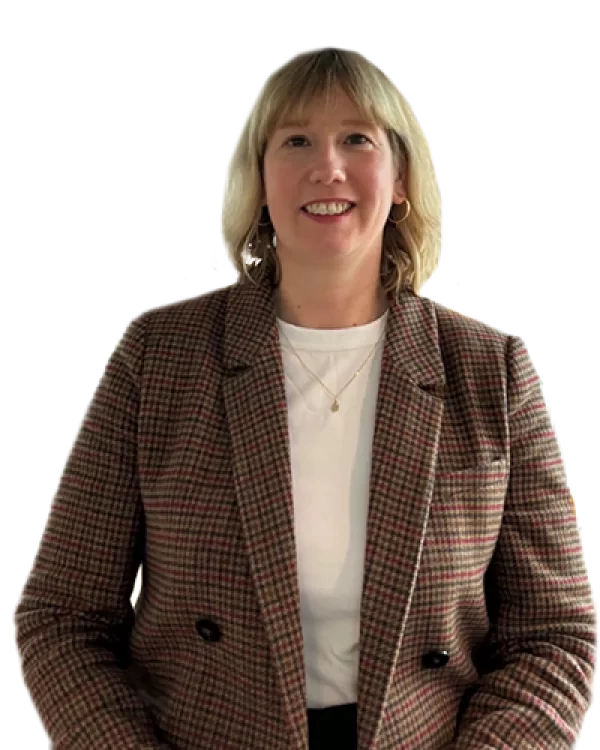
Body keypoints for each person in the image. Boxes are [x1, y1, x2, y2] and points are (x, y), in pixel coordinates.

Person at [12, 45, 600, 749]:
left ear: (401, 178)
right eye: (296, 140)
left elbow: (554, 636)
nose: (327, 167)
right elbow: (61, 617)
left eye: (357, 138)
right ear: (259, 178)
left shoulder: (491, 369)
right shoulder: (159, 354)